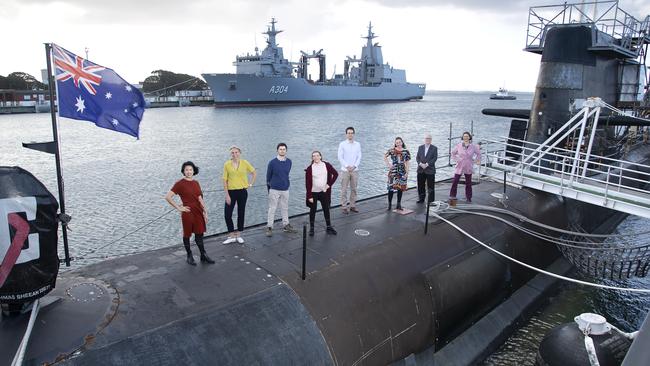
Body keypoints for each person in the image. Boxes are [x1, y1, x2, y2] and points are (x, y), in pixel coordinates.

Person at [165, 161, 215, 265]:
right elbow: (168, 197)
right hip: (187, 212)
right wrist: (179, 208)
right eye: (186, 170)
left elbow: (199, 198)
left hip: (198, 211)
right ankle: (189, 255)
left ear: (194, 171)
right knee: (187, 234)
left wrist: (205, 212)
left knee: (199, 233)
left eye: (190, 169)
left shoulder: (196, 183)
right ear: (183, 171)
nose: (188, 172)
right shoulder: (179, 183)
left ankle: (203, 255)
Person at [222, 146, 256, 244]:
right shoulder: (227, 165)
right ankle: (231, 235)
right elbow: (224, 180)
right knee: (227, 214)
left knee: (241, 213)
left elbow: (254, 173)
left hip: (242, 191)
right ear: (230, 154)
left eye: (236, 152)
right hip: (231, 192)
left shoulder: (245, 163)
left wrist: (250, 184)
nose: (234, 154)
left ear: (240, 153)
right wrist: (227, 195)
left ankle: (238, 234)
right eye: (232, 152)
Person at [266, 143, 297, 237]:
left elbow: (286, 174)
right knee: (272, 208)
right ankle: (269, 227)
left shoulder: (289, 162)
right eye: (280, 149)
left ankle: (286, 225)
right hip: (274, 189)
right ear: (277, 150)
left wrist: (286, 185)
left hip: (285, 188)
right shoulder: (272, 162)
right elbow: (268, 177)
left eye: (284, 149)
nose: (282, 151)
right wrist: (270, 190)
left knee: (285, 208)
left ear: (286, 150)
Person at [305, 151, 338, 237]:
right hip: (313, 193)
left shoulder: (326, 165)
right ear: (312, 158)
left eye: (317, 155)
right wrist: (309, 196)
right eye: (313, 156)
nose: (315, 157)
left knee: (326, 209)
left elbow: (336, 174)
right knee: (313, 210)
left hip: (324, 192)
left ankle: (328, 227)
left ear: (320, 156)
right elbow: (307, 184)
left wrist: (328, 185)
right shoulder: (309, 168)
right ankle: (311, 228)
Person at [449, 132, 481, 203]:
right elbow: (452, 153)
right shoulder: (459, 145)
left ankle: (469, 197)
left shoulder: (473, 146)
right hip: (460, 165)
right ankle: (452, 196)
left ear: (469, 137)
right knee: (455, 181)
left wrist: (475, 161)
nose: (465, 138)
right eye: (464, 136)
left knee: (468, 183)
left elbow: (479, 154)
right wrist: (457, 159)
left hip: (468, 165)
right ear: (462, 137)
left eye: (467, 136)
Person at [337, 126, 361, 214]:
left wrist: (354, 166)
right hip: (345, 170)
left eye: (351, 133)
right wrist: (347, 166)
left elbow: (359, 156)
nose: (350, 134)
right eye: (348, 133)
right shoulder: (342, 144)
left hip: (355, 170)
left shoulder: (357, 144)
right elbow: (340, 157)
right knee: (344, 189)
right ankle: (344, 206)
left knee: (354, 189)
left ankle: (352, 206)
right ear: (346, 134)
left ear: (353, 134)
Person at [384, 137, 411, 211]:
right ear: (395, 143)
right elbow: (385, 156)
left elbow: (407, 162)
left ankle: (398, 204)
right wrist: (389, 165)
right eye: (397, 143)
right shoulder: (392, 150)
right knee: (391, 188)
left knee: (400, 188)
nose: (398, 144)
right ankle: (389, 205)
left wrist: (407, 172)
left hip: (402, 171)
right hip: (393, 171)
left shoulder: (406, 151)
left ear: (402, 142)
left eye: (399, 142)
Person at [416, 133, 438, 203]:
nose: (427, 140)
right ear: (424, 139)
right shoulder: (420, 147)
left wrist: (427, 164)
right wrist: (420, 163)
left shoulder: (434, 148)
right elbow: (417, 157)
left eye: (429, 139)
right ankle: (421, 199)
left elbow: (434, 158)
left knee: (431, 187)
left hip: (430, 170)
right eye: (426, 138)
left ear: (431, 140)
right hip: (421, 169)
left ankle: (431, 201)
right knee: (420, 185)